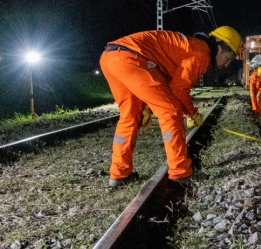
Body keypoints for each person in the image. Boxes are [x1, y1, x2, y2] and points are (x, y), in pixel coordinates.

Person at [99, 26, 242, 187]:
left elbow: (162, 83)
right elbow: (179, 90)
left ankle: (119, 174)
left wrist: (146, 106)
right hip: (132, 58)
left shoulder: (189, 46)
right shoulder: (201, 53)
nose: (227, 64)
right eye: (228, 57)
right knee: (171, 111)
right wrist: (193, 113)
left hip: (110, 57)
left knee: (130, 116)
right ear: (219, 44)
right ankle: (180, 172)